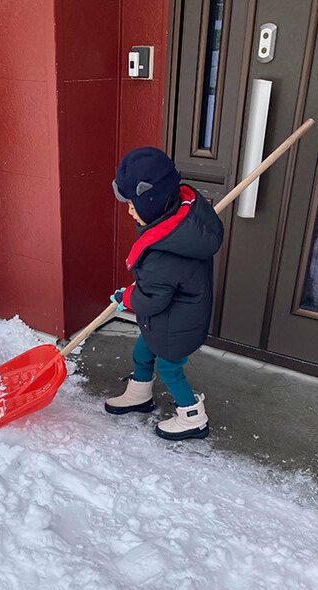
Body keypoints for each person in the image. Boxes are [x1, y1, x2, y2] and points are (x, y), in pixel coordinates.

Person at [106, 147, 224, 441]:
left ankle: (193, 417)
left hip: (176, 325)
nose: (129, 210)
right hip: (169, 317)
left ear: (152, 201)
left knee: (170, 370)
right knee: (141, 352)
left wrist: (126, 298)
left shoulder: (166, 253)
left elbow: (152, 298)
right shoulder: (181, 219)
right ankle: (140, 394)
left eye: (133, 204)